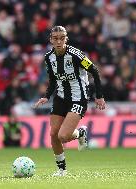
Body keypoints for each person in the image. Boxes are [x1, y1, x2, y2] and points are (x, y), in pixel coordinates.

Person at [34, 26, 106, 176]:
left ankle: (81, 133)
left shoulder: (76, 55)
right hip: (60, 98)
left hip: (78, 99)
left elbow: (95, 71)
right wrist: (47, 96)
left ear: (66, 39)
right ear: (51, 40)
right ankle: (61, 170)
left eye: (62, 38)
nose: (59, 41)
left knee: (63, 136)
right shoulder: (49, 57)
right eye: (55, 38)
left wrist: (99, 95)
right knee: (54, 134)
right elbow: (53, 79)